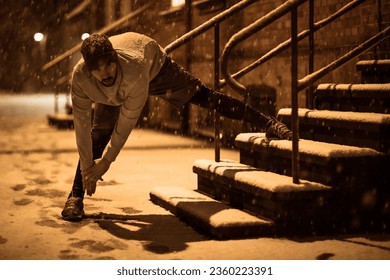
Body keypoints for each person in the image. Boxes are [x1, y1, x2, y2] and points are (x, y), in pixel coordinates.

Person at [61, 32, 292, 221]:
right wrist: (88, 169)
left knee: (207, 98)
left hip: (155, 68)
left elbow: (127, 122)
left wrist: (107, 162)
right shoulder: (80, 78)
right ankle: (75, 197)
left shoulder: (134, 67)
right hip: (115, 91)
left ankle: (268, 123)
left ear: (115, 59)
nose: (106, 72)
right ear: (89, 70)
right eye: (98, 69)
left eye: (109, 64)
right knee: (97, 135)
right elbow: (81, 126)